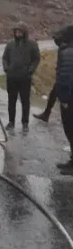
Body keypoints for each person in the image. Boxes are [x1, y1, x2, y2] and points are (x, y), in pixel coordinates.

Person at [1, 21, 40, 132]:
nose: (18, 33)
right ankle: (11, 122)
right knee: (11, 101)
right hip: (12, 77)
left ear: (24, 32)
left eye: (20, 31)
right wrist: (6, 67)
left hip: (25, 78)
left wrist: (30, 70)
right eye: (16, 31)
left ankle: (25, 123)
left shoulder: (32, 44)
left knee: (25, 101)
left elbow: (37, 58)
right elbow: (4, 58)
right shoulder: (10, 44)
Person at [34, 26, 70, 123]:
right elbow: (57, 36)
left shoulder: (66, 47)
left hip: (67, 75)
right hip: (62, 75)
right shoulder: (64, 44)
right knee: (54, 94)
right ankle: (46, 114)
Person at [54, 26, 73, 171]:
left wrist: (65, 99)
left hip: (69, 100)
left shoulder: (68, 53)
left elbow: (66, 78)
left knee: (70, 129)